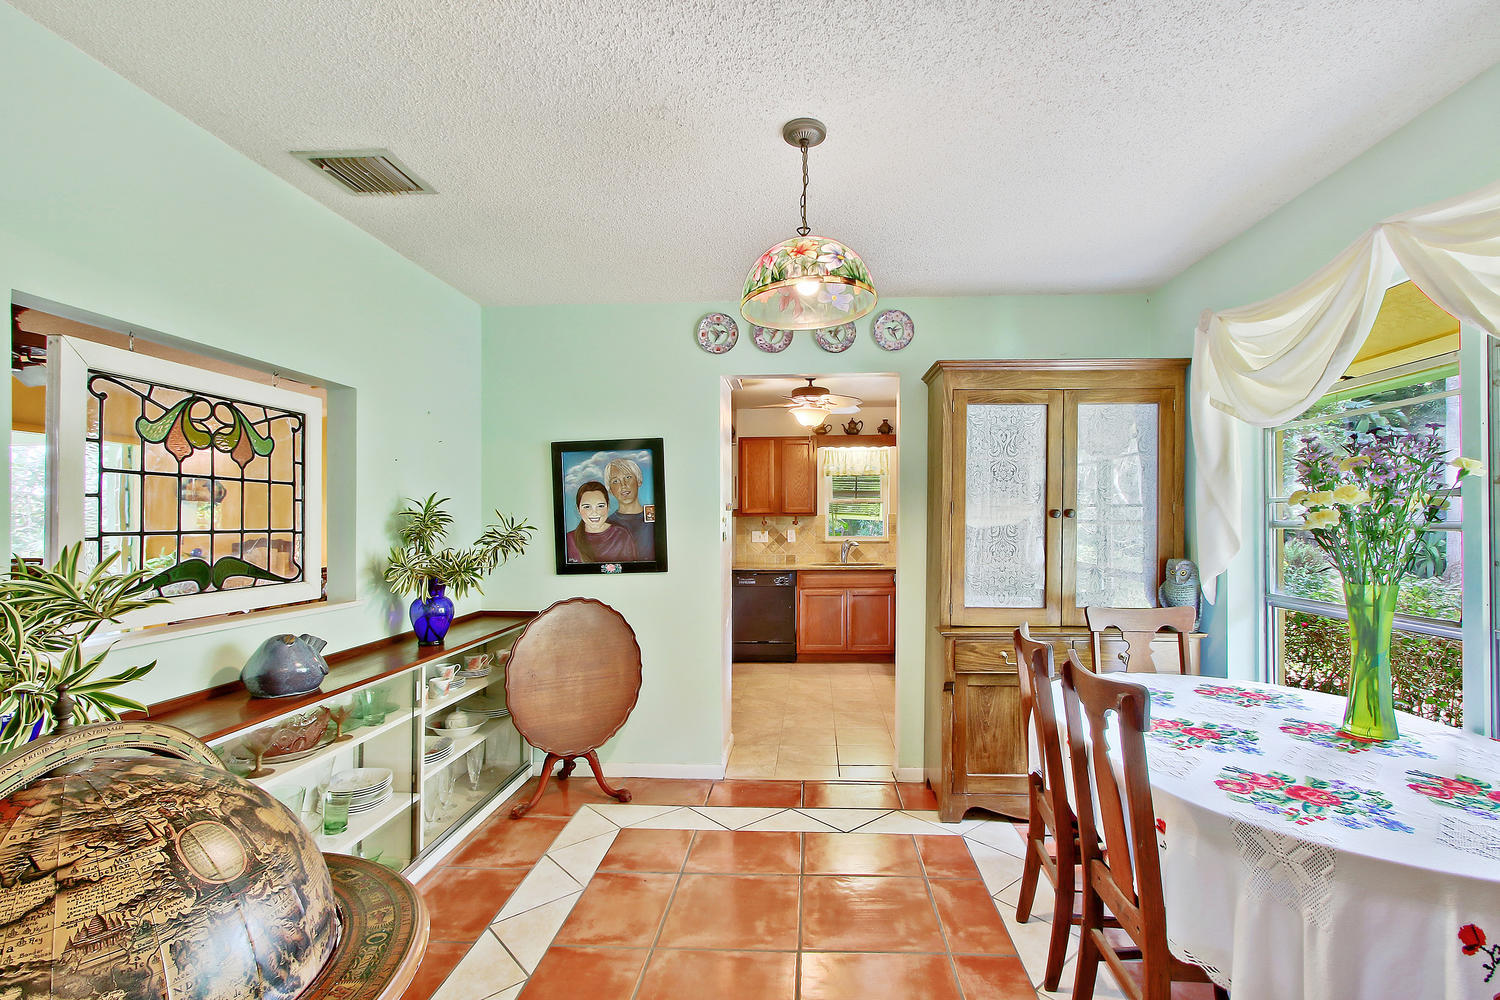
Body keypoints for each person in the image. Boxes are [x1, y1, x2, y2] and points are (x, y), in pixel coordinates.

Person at [566, 480, 637, 563]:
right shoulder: (569, 539)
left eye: (600, 506)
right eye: (587, 507)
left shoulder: (621, 535)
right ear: (578, 510)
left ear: (608, 507)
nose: (594, 512)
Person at [604, 457, 654, 560]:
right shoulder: (607, 524)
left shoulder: (653, 516)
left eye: (628, 477)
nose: (623, 485)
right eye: (615, 481)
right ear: (610, 490)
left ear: (638, 481)